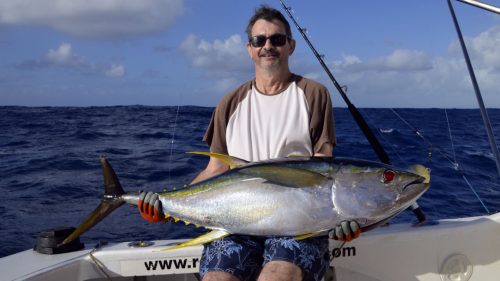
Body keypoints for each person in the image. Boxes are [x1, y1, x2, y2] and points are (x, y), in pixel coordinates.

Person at [138, 5, 360, 281]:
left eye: (277, 39)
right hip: (236, 223)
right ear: (249, 48)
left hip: (298, 223)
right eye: (259, 40)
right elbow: (214, 170)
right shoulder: (230, 102)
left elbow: (324, 167)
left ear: (290, 45)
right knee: (217, 279)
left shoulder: (313, 94)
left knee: (279, 275)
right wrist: (166, 208)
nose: (268, 46)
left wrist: (343, 218)